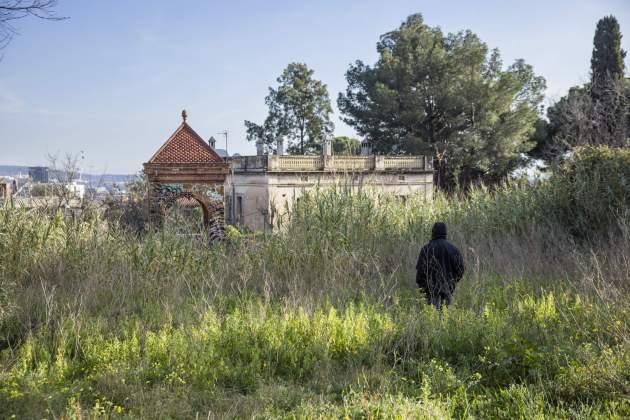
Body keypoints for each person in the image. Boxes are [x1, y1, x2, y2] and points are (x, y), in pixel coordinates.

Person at [416, 222, 465, 309]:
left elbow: (420, 274)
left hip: (430, 293)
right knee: (446, 318)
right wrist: (452, 283)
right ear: (445, 233)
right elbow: (460, 270)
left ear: (433, 232)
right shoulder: (453, 249)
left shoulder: (426, 249)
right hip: (447, 290)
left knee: (431, 319)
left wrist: (424, 289)